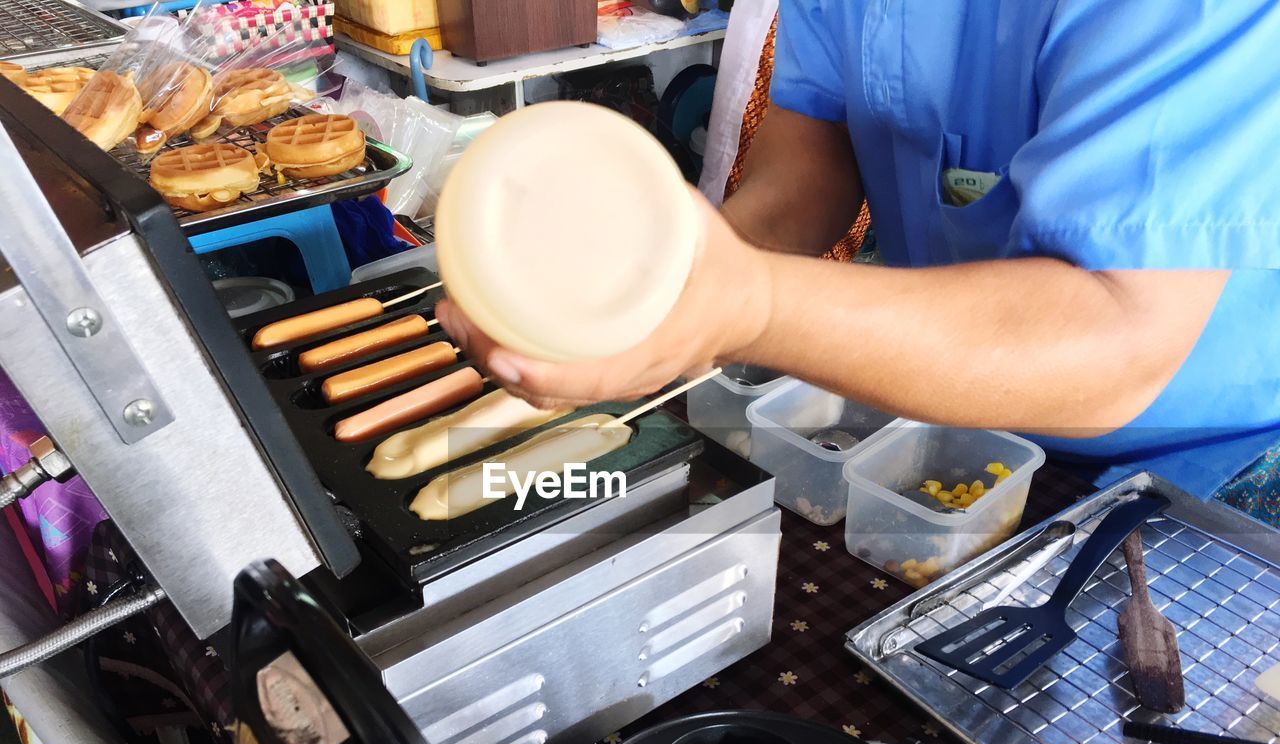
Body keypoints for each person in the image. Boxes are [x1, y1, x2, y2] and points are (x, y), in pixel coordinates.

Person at [438, 2, 1280, 522]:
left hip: (1202, 463)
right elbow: (813, 156)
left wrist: (749, 305)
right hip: (950, 394)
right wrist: (680, 276)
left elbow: (1118, 334)